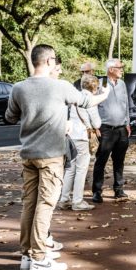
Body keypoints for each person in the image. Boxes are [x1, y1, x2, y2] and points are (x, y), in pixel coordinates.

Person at [5, 44, 110, 270]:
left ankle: (27, 254)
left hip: (28, 155)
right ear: (50, 61)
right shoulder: (60, 87)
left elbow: (10, 116)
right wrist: (105, 94)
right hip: (51, 156)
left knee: (29, 204)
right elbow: (87, 102)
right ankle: (40, 258)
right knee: (46, 205)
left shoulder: (18, 88)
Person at [58, 74, 102, 211]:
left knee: (70, 168)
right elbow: (97, 122)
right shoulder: (90, 100)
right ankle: (78, 201)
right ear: (94, 86)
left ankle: (64, 199)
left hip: (71, 135)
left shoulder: (74, 97)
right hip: (83, 136)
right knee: (81, 170)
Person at [92, 58, 130, 203]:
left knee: (119, 161)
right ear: (111, 70)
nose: (122, 69)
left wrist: (127, 122)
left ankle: (119, 190)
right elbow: (93, 105)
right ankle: (97, 191)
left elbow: (126, 104)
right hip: (105, 129)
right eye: (120, 67)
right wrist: (96, 125)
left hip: (121, 129)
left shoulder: (122, 84)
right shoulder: (101, 83)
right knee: (101, 161)